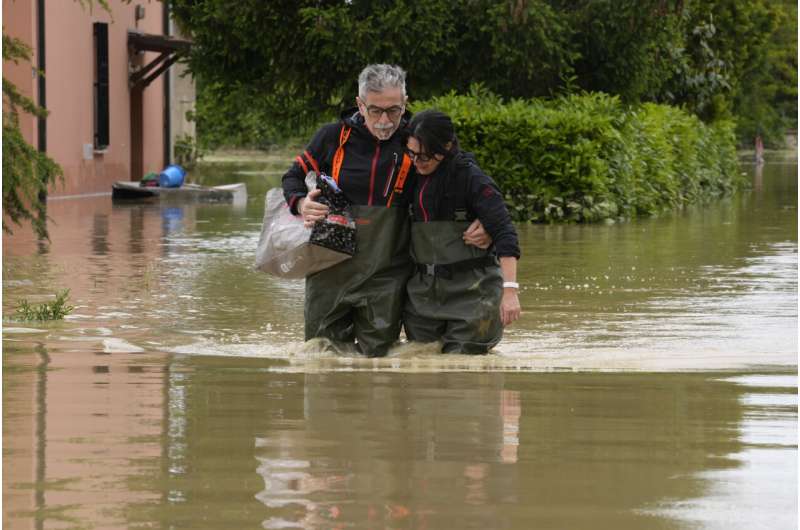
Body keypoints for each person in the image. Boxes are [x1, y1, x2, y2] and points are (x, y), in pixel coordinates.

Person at [281, 64, 489, 357]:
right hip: (328, 271)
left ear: (405, 103)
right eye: (375, 110)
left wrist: (486, 220)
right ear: (360, 104)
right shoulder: (331, 138)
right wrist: (302, 203)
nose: (384, 120)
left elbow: (468, 178)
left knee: (376, 364)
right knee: (319, 357)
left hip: (388, 275)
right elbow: (291, 178)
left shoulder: (418, 139)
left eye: (394, 110)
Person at [402, 109, 521, 354]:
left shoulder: (471, 178)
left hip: (473, 296)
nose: (417, 162)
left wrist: (510, 292)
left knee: (465, 374)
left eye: (425, 157)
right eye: (412, 154)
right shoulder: (408, 176)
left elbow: (505, 234)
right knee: (420, 366)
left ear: (446, 146)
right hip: (422, 297)